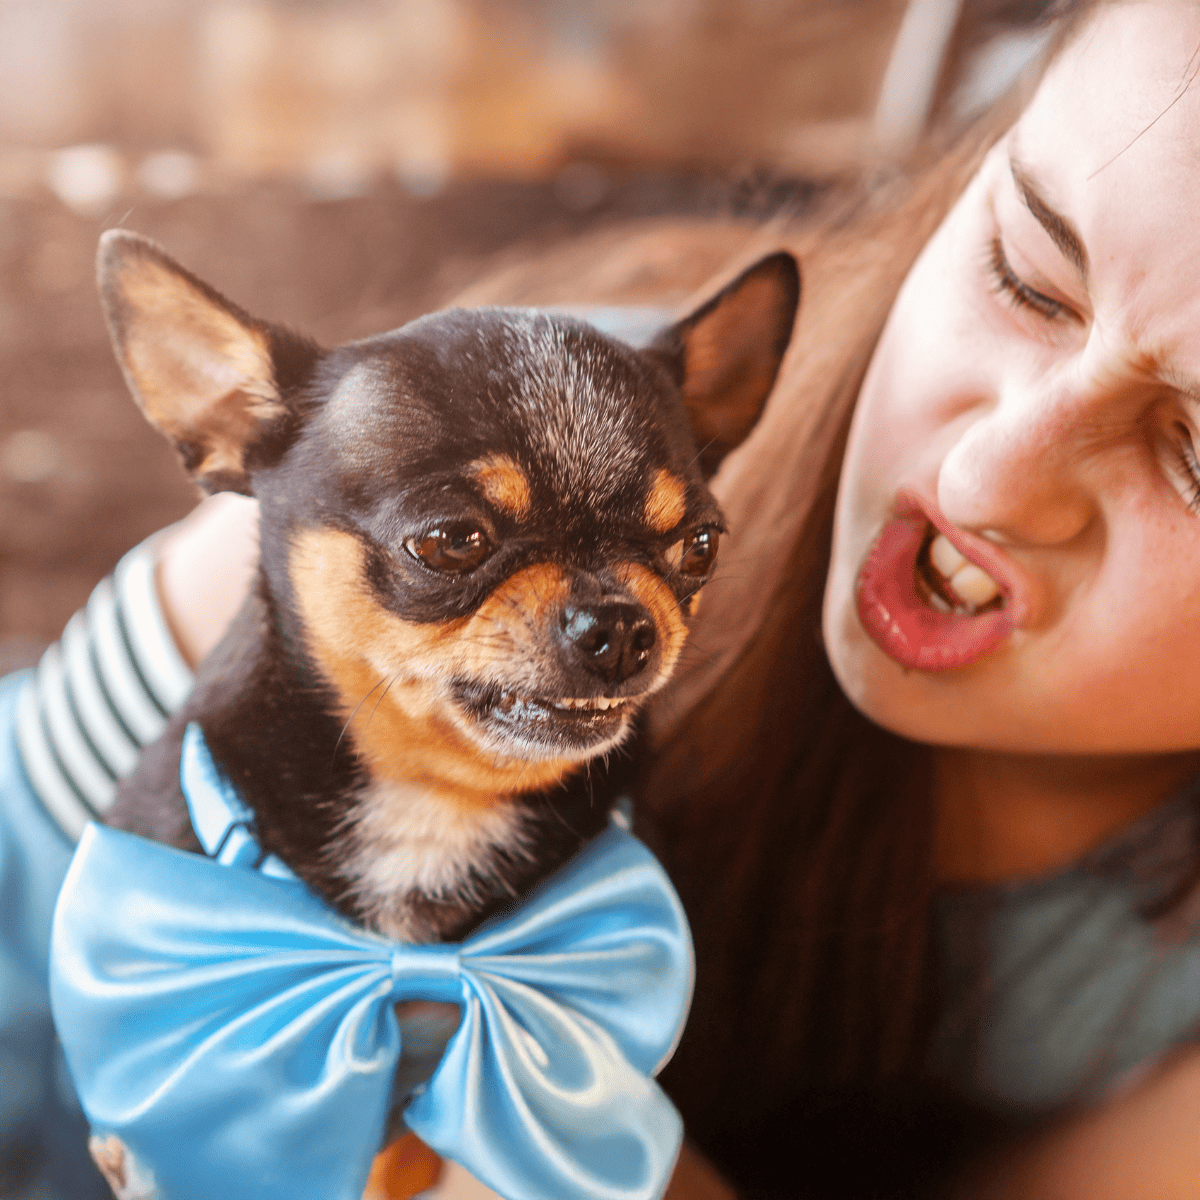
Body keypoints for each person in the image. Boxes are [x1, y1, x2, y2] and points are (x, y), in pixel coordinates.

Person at [6, 2, 1200, 1196]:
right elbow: (20, 871)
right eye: (1028, 280)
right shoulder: (481, 412)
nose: (987, 477)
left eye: (1194, 452)